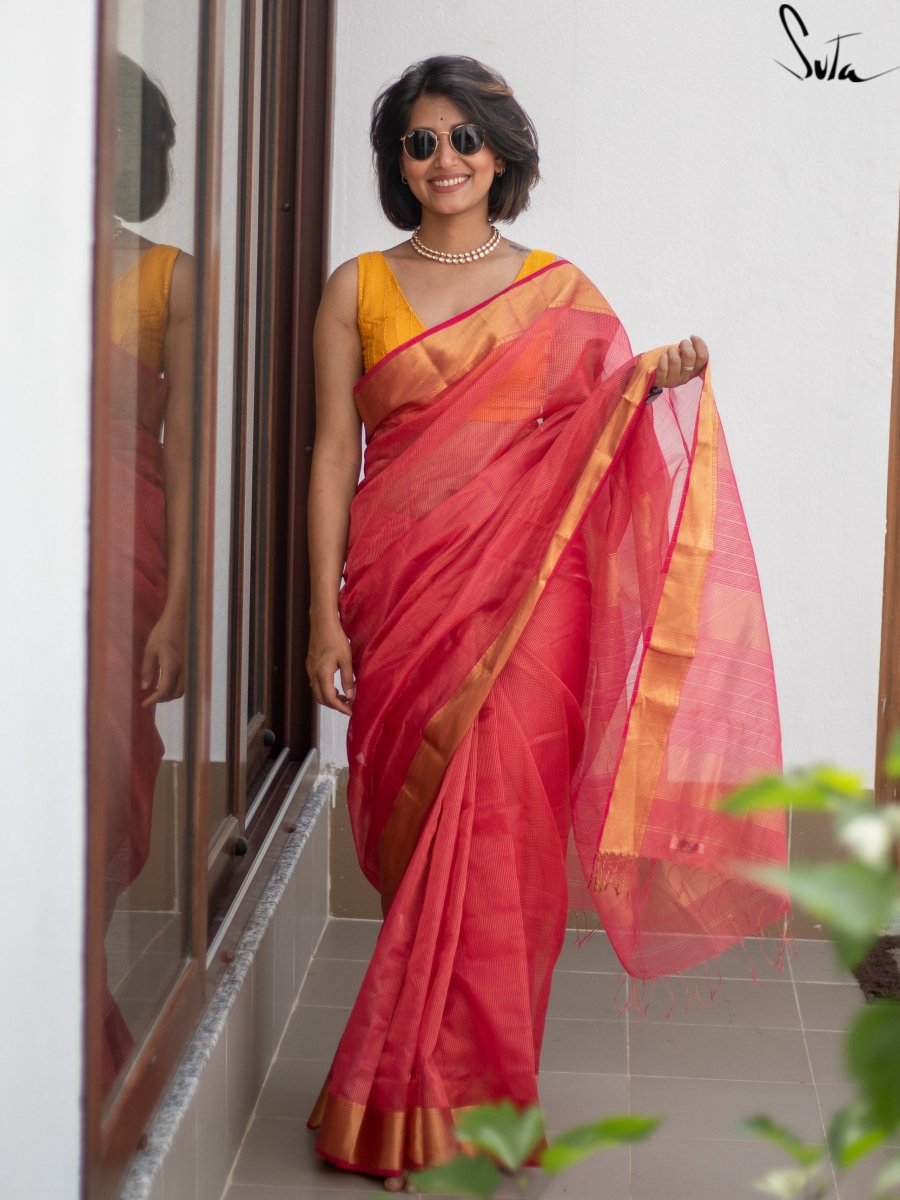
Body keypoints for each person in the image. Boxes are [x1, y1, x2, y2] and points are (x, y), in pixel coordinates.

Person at [306, 55, 787, 1190]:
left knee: (504, 845)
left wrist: (654, 378)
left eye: (463, 139)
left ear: (504, 154)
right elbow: (335, 453)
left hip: (526, 611)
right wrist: (321, 613)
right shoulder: (356, 286)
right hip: (403, 585)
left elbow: (598, 437)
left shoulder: (560, 294)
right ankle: (408, 1090)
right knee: (425, 841)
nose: (443, 162)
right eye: (420, 143)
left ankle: (472, 1099)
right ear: (397, 165)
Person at [101, 53, 194, 1095]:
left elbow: (187, 455)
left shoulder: (169, 274)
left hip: (123, 557)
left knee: (102, 774)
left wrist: (180, 608)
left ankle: (66, 1016)